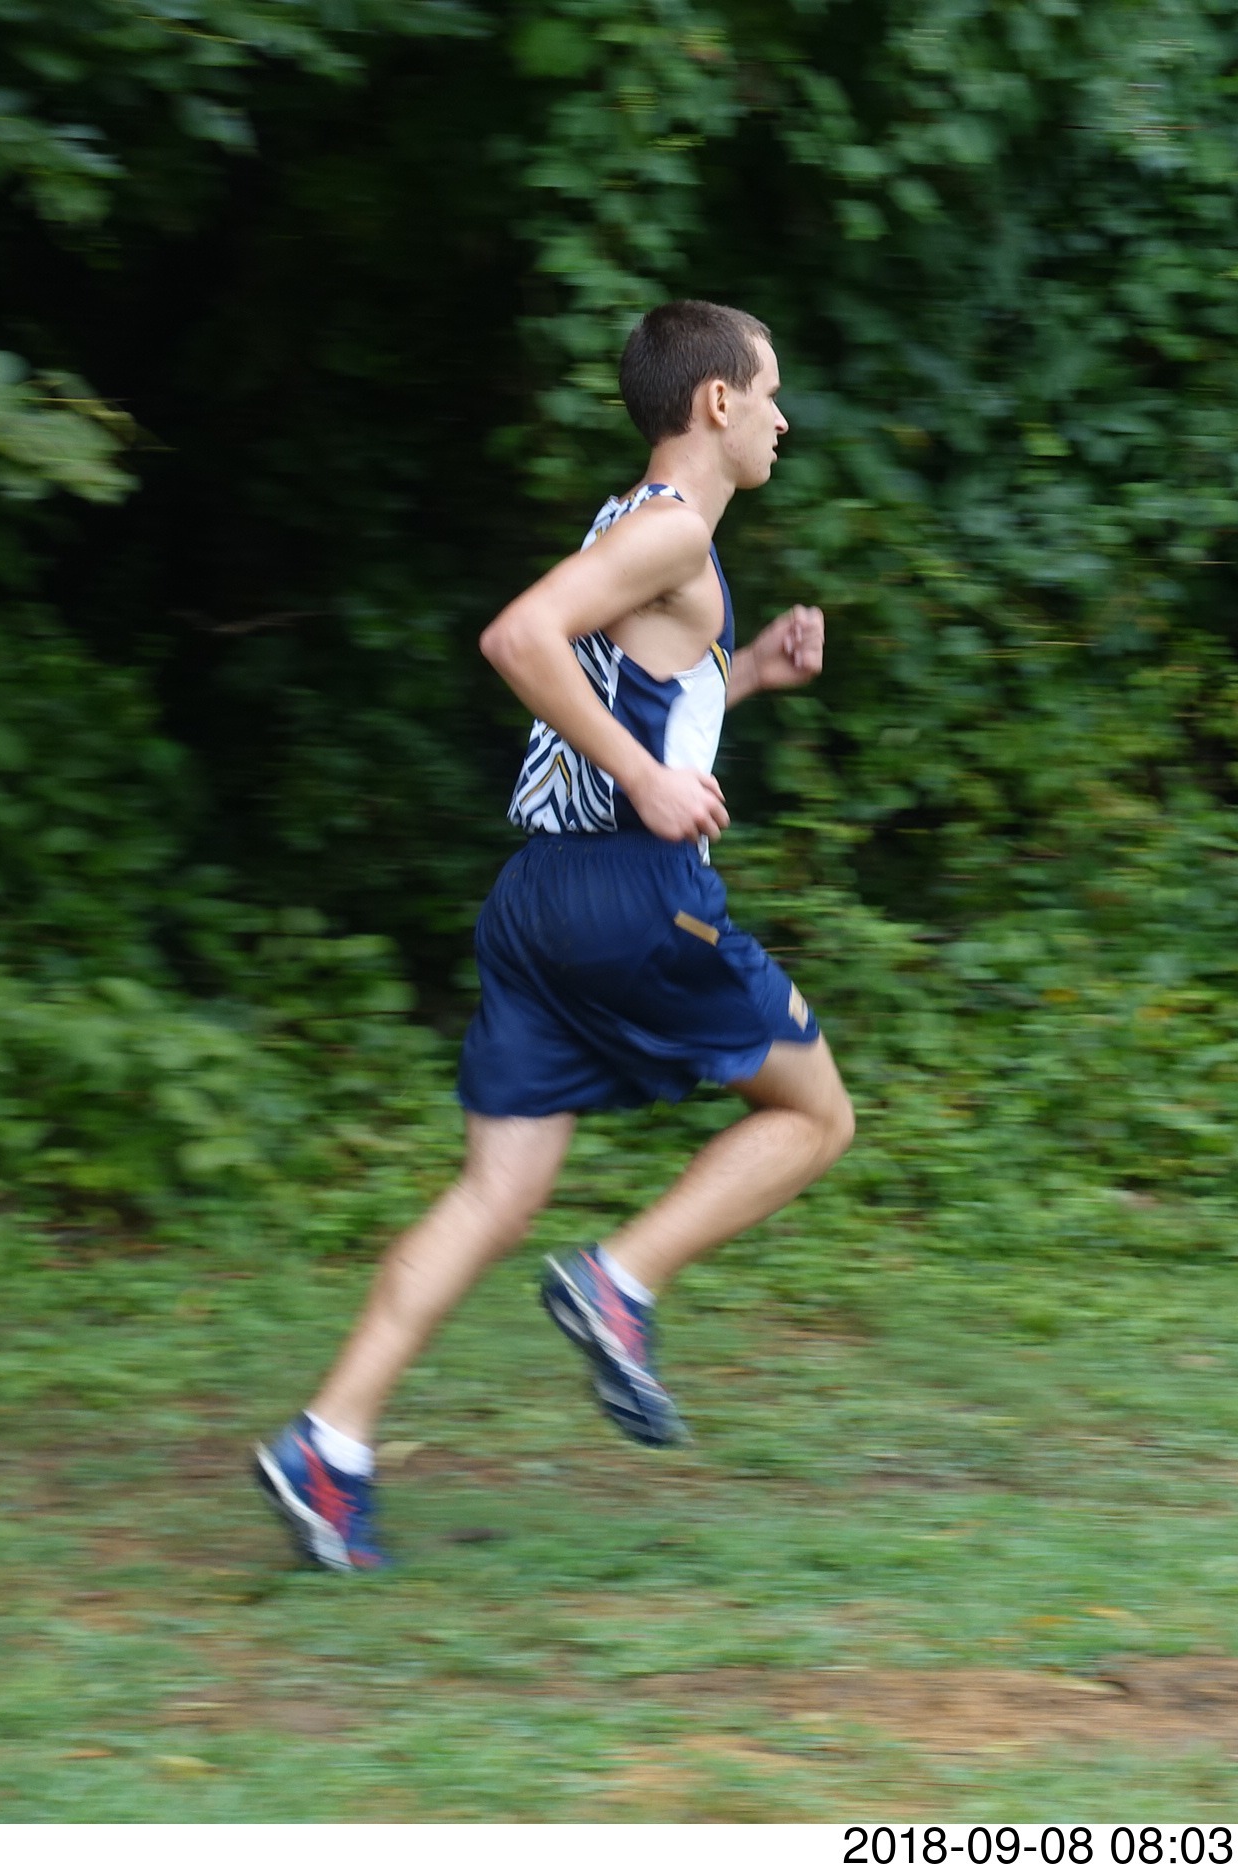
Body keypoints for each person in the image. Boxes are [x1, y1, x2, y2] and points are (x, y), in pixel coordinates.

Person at [253, 300, 853, 1572]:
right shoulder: (672, 530)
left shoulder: (632, 525)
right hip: (631, 890)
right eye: (771, 393)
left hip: (536, 897)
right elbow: (519, 638)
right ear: (718, 402)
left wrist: (744, 672)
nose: (784, 420)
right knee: (815, 1114)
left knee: (497, 1193)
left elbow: (629, 686)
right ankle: (619, 1284)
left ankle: (328, 1447)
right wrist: (646, 783)